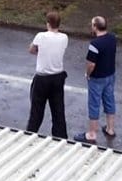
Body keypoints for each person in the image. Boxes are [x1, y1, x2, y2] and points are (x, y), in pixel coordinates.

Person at [26, 10, 68, 139]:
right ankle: (61, 136)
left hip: (42, 78)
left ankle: (31, 134)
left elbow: (32, 49)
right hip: (58, 77)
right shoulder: (64, 37)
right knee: (58, 110)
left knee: (37, 110)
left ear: (48, 23)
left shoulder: (41, 36)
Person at [75, 16, 116, 144]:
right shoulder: (112, 38)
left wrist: (87, 74)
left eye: (92, 24)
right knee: (109, 101)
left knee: (94, 104)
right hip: (110, 75)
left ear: (95, 27)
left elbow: (91, 64)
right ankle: (110, 129)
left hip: (97, 78)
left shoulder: (94, 44)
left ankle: (92, 133)